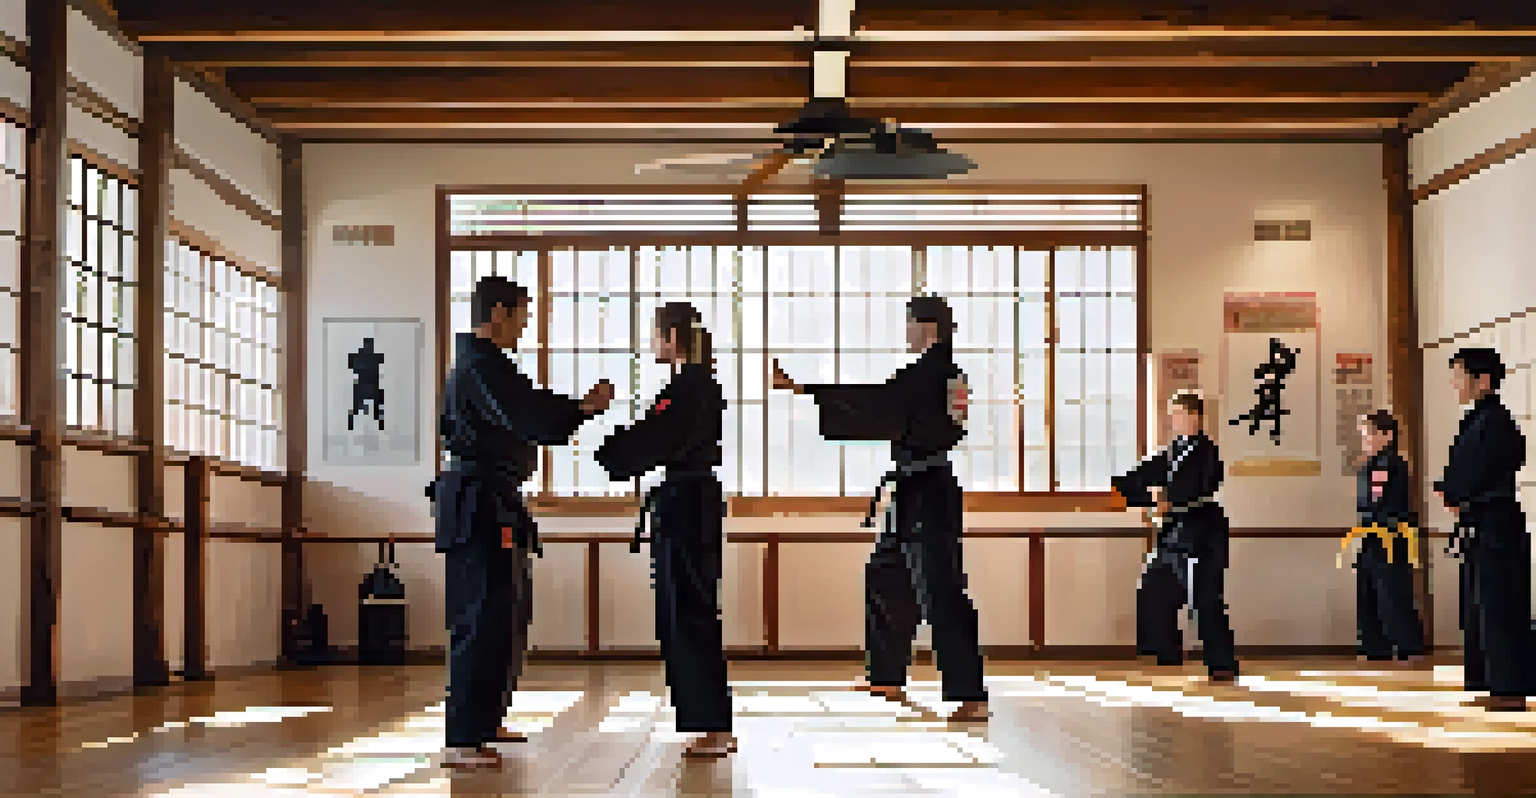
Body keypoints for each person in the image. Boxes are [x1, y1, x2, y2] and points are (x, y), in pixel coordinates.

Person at [771, 295, 988, 724]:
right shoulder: (942, 375)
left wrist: (807, 389)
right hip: (914, 487)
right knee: (886, 573)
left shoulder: (934, 374)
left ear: (927, 328)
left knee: (941, 589)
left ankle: (970, 693)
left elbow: (877, 404)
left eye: (908, 325)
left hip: (928, 488)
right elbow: (886, 405)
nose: (904, 333)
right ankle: (886, 675)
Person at [428, 276, 615, 768]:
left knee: (505, 615)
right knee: (480, 616)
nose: (525, 325)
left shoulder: (490, 367)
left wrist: (576, 411)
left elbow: (525, 411)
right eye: (521, 315)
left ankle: (484, 721)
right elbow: (528, 414)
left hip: (495, 499)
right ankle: (463, 737)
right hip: (477, 502)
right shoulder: (479, 367)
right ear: (498, 314)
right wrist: (582, 408)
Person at [596, 302, 734, 758]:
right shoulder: (693, 385)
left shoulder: (691, 387)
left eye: (656, 335)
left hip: (688, 503)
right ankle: (708, 722)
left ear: (673, 337)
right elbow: (658, 432)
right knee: (689, 610)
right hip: (689, 502)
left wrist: (612, 452)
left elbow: (657, 435)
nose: (653, 344)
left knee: (688, 610)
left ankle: (711, 726)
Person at [1112, 391, 1238, 683]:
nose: (1174, 419)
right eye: (1173, 414)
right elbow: (1132, 480)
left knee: (1204, 599)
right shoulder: (1171, 451)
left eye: (1180, 413)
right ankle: (1166, 652)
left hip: (1203, 533)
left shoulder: (1208, 451)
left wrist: (1168, 496)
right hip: (1173, 533)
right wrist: (1150, 496)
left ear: (1195, 417)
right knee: (1153, 586)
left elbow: (1206, 484)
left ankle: (1222, 664)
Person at [1434, 347, 1532, 711]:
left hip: (1496, 524)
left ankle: (1509, 689)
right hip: (1484, 522)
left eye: (1459, 375)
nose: (1454, 383)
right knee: (1480, 606)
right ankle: (1492, 683)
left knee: (1499, 606)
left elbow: (1471, 475)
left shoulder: (1494, 422)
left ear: (1483, 381)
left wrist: (1453, 492)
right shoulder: (1480, 419)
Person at [1347, 410, 1426, 664]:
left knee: (1392, 591)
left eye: (1369, 434)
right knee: (1369, 589)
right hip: (1373, 534)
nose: (1365, 440)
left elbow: (1376, 501)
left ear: (1387, 435)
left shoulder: (1388, 463)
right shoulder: (1372, 463)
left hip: (1388, 535)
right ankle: (1374, 645)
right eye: (1363, 435)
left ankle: (1407, 646)